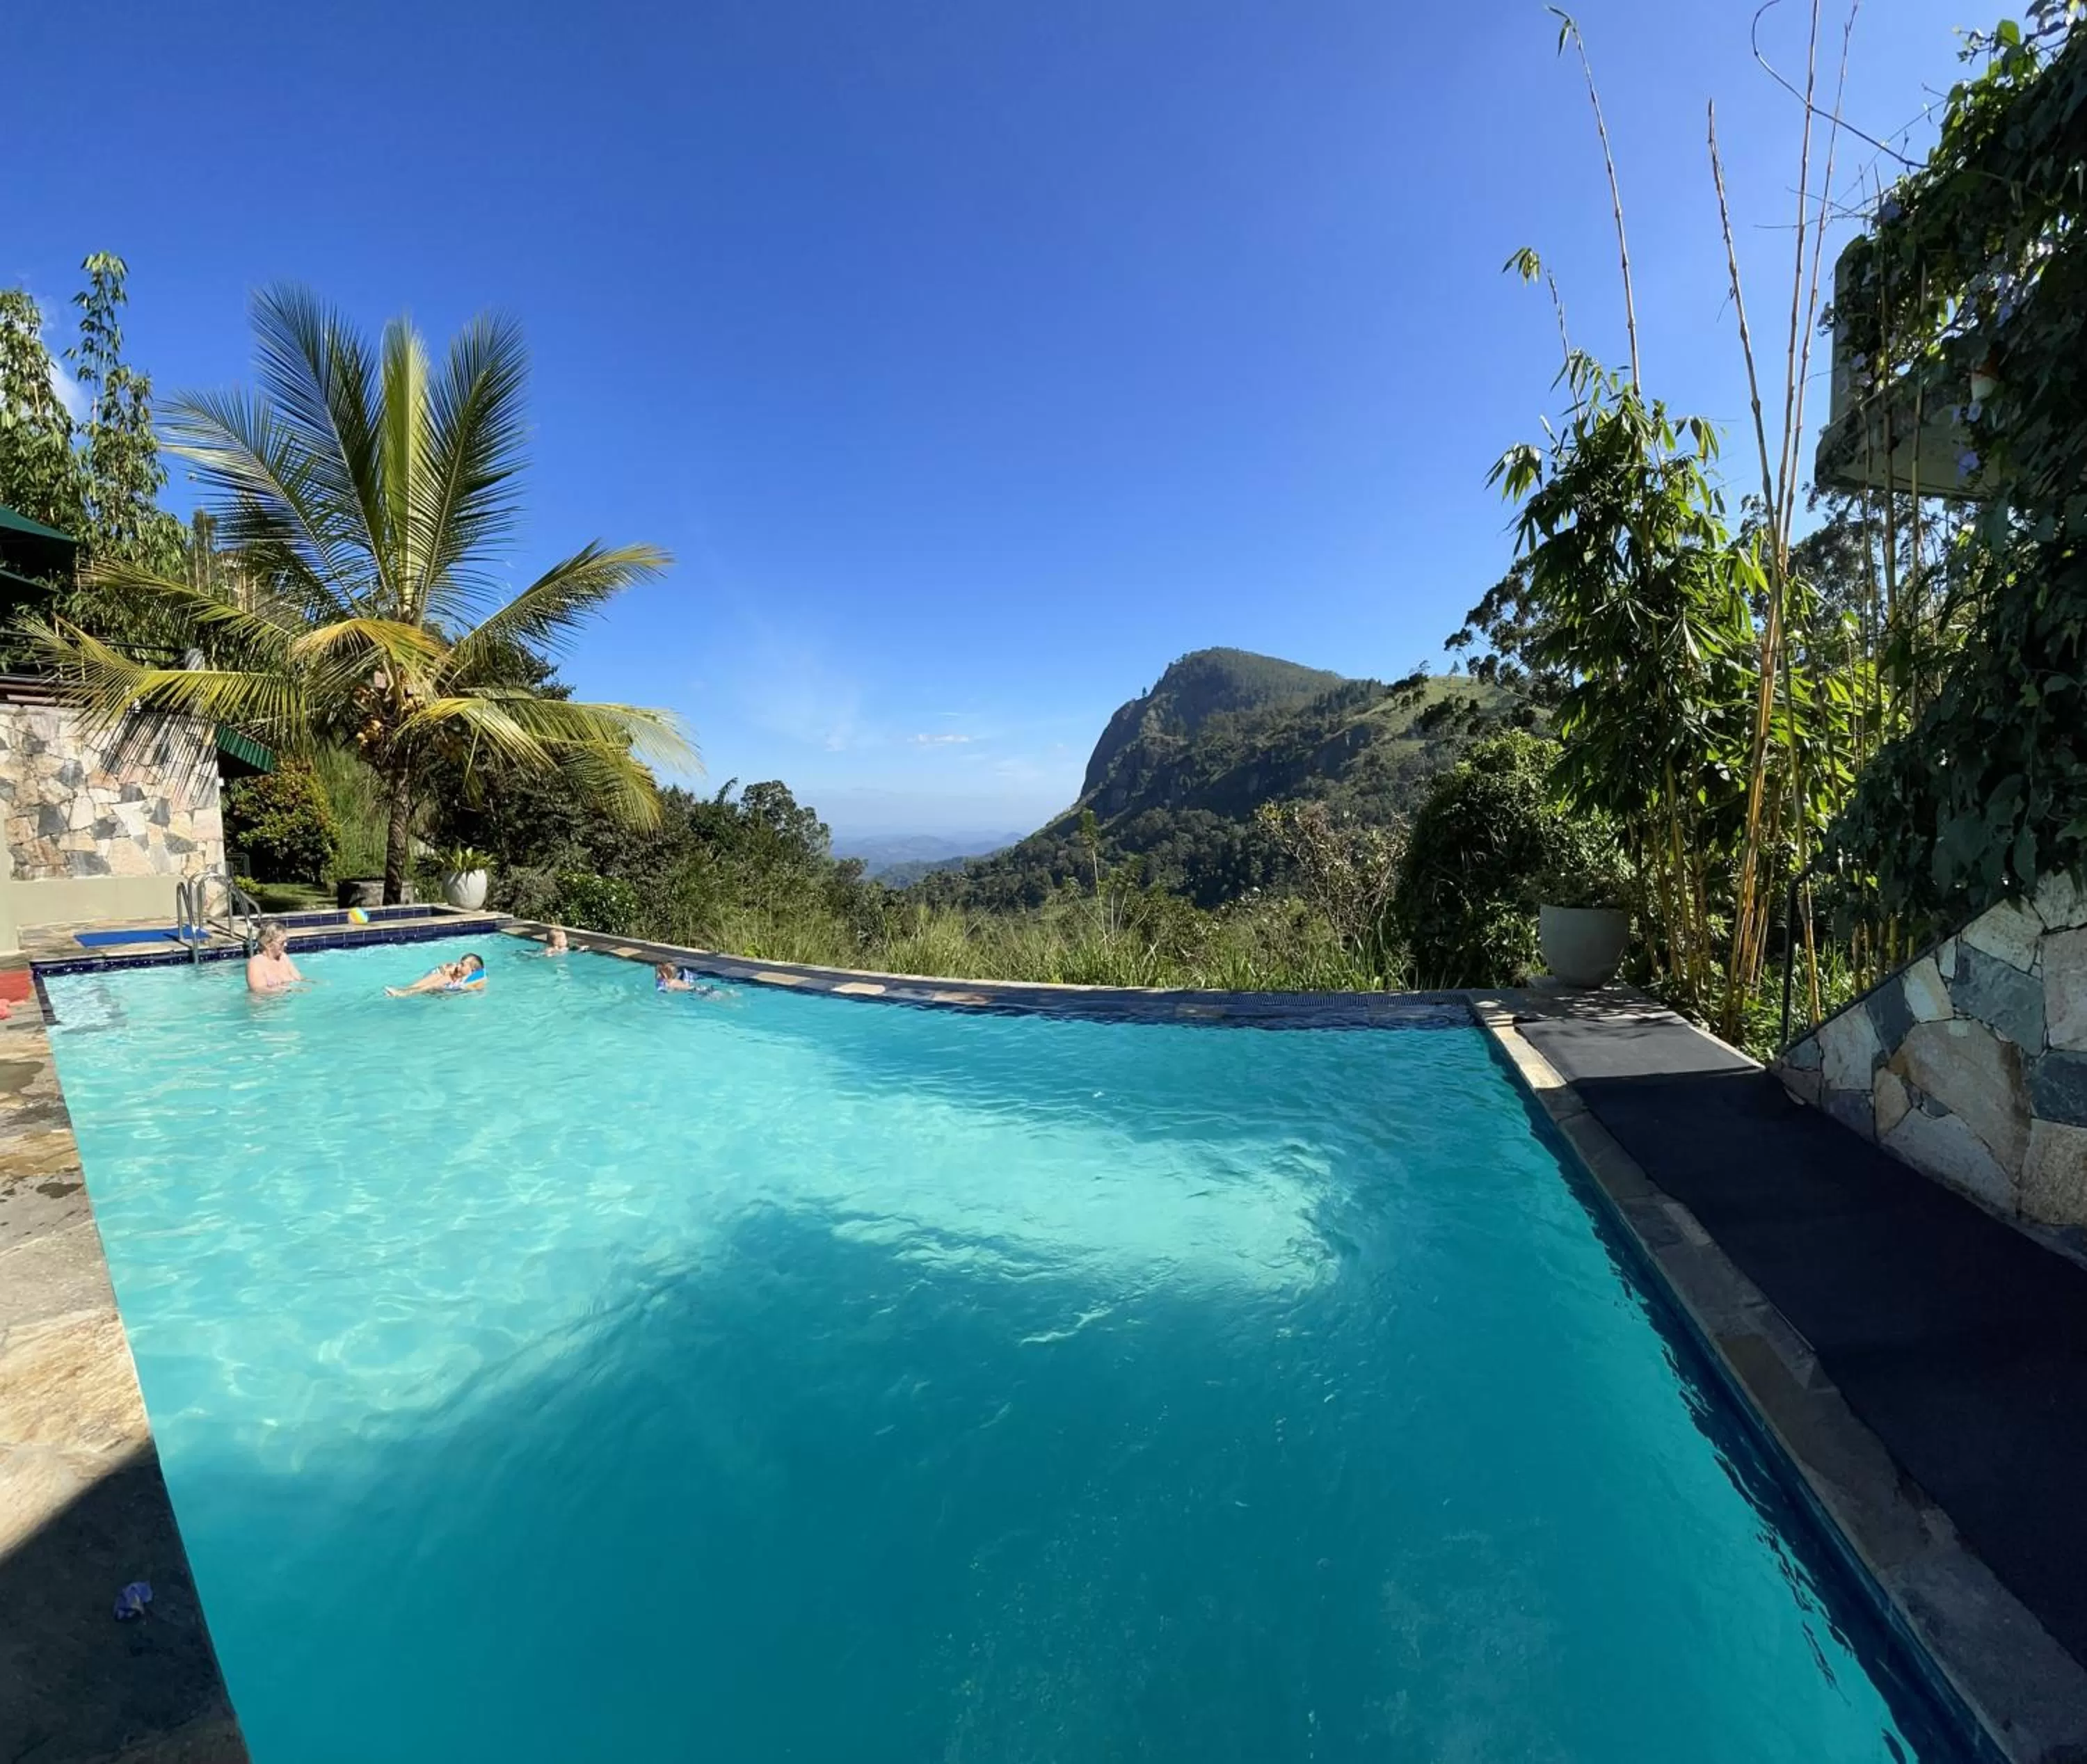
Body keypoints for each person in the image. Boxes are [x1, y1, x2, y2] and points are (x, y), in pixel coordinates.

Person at [387, 953, 487, 997]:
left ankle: (406, 993)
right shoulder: (455, 970)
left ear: (472, 969)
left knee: (442, 980)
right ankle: (407, 989)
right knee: (439, 975)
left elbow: (475, 990)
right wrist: (446, 970)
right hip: (441, 989)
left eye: (462, 965)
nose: (458, 966)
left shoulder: (477, 980)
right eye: (459, 963)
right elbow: (442, 968)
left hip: (445, 994)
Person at [246, 921, 305, 995]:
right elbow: (258, 990)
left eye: (286, 941)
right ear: (267, 944)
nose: (286, 945)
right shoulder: (256, 963)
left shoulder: (284, 958)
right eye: (282, 943)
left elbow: (300, 979)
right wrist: (287, 990)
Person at [654, 961, 721, 997]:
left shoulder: (669, 984)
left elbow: (667, 991)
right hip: (696, 988)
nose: (659, 975)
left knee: (712, 996)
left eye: (661, 974)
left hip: (694, 991)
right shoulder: (674, 981)